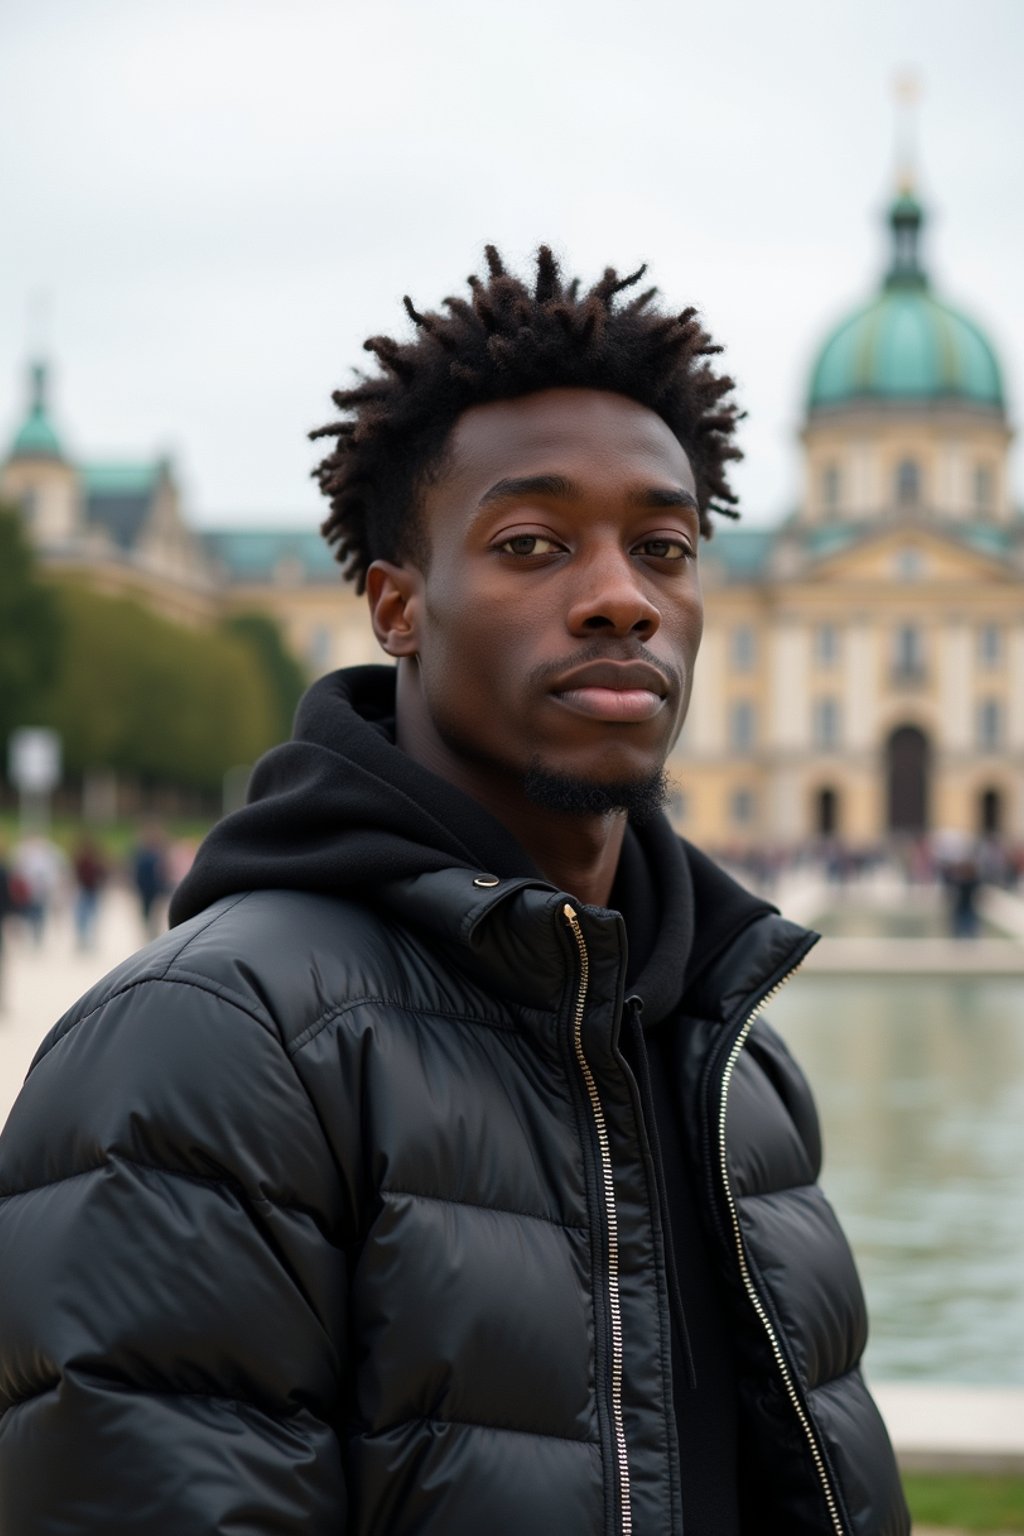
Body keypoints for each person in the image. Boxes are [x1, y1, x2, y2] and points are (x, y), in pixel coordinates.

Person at [0, 249, 909, 1534]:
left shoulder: (738, 1071)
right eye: (532, 544)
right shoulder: (208, 1047)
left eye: (665, 546)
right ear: (394, 604)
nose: (620, 600)